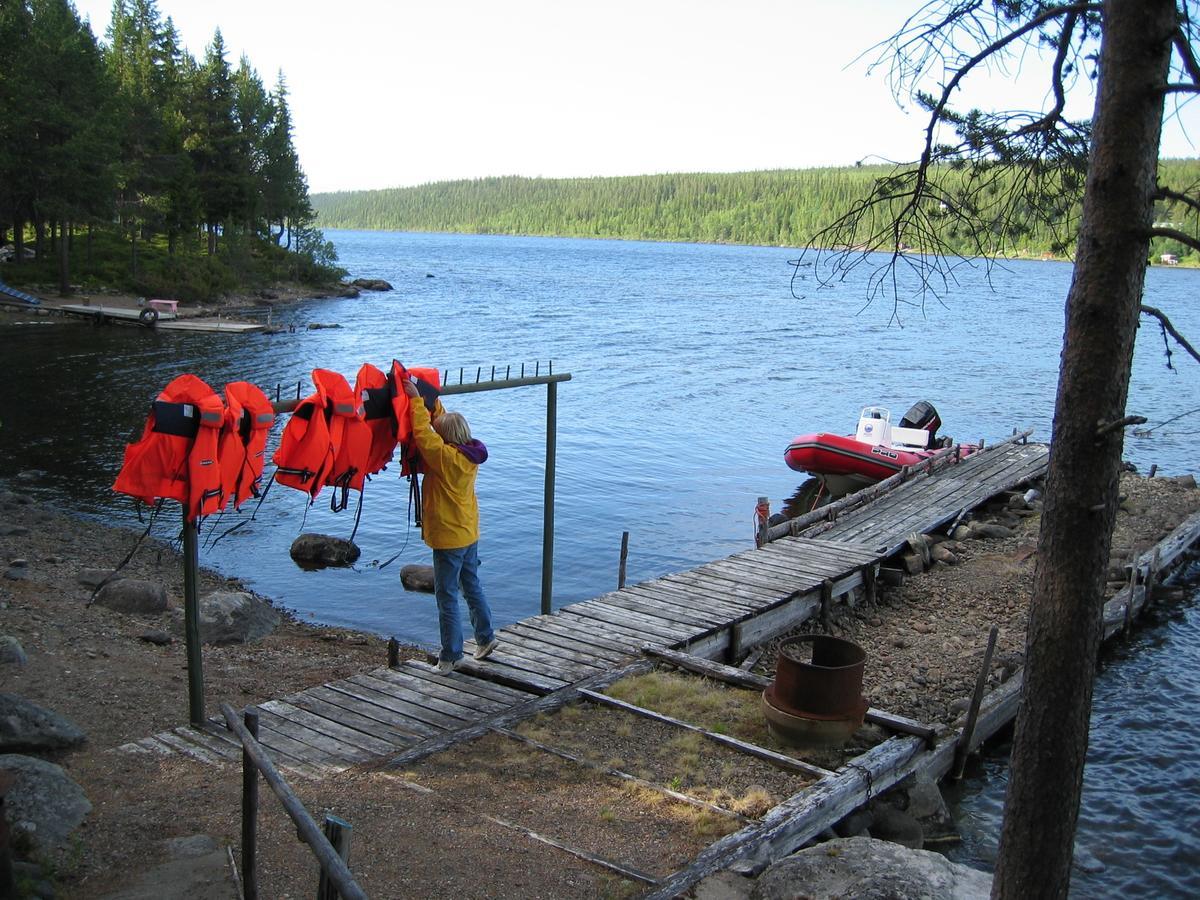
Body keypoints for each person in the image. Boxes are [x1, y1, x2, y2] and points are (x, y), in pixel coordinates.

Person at [403, 378, 498, 672]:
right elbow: (437, 427)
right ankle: (485, 637)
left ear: (445, 438)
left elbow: (422, 433)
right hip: (469, 532)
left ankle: (451, 654)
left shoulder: (443, 458)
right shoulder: (470, 454)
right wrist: (433, 405)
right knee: (471, 584)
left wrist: (416, 401)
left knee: (446, 596)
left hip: (449, 537)